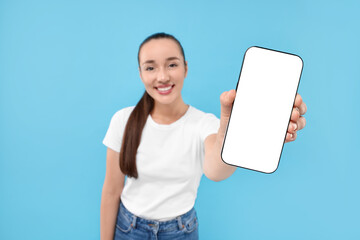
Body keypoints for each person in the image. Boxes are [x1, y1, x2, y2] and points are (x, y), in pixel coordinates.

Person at [100, 32, 307, 240]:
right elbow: (111, 191)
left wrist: (228, 130)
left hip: (180, 232)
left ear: (185, 68)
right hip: (128, 229)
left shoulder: (204, 124)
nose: (162, 76)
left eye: (172, 65)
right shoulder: (123, 120)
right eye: (150, 67)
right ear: (140, 73)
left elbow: (216, 171)